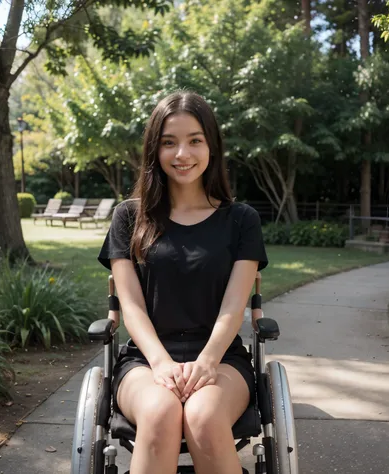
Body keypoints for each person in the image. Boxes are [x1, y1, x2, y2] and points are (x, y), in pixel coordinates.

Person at [98, 90, 268, 474]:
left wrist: (207, 361)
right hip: (145, 361)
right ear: (153, 151)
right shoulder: (129, 217)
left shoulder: (241, 220)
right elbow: (132, 305)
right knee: (160, 412)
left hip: (221, 358)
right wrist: (160, 363)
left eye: (195, 141)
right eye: (169, 143)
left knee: (204, 415)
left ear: (212, 146)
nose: (182, 154)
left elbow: (233, 305)